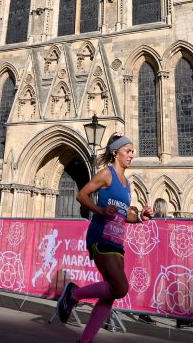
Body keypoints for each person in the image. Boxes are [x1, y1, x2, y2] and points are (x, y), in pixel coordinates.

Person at [56, 133, 152, 342]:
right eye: (128, 151)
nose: (131, 155)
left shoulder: (126, 183)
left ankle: (85, 340)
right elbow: (81, 195)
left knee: (110, 294)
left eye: (132, 152)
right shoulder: (106, 174)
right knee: (120, 287)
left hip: (117, 241)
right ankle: (73, 294)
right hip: (100, 237)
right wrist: (100, 210)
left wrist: (141, 218)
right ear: (115, 152)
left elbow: (125, 213)